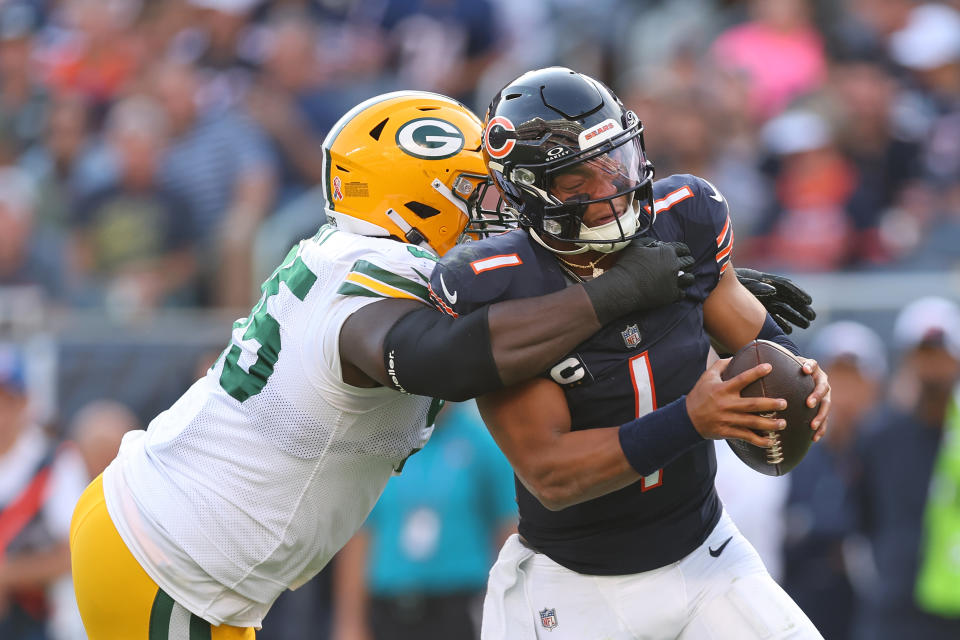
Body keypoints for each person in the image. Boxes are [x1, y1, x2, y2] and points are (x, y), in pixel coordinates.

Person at [68, 90, 704, 639]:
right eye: (474, 190)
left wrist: (682, 284)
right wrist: (617, 293)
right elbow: (441, 358)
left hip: (185, 554)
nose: (499, 207)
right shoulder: (373, 276)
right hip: (173, 561)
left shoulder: (358, 257)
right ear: (416, 200)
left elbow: (527, 313)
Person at [389, 67, 831, 639]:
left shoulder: (684, 218)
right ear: (529, 192)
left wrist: (801, 375)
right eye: (578, 184)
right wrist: (692, 419)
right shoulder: (500, 285)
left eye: (614, 165)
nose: (609, 192)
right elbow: (551, 472)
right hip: (573, 587)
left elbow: (762, 345)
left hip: (706, 555)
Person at [332, 401, 517, 640]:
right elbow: (360, 536)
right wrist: (349, 623)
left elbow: (507, 531)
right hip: (389, 607)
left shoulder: (483, 443)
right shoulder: (381, 444)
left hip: (458, 606)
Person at [848, 297, 960, 640]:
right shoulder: (878, 437)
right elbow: (861, 517)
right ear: (906, 358)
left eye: (939, 352)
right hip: (894, 607)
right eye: (923, 352)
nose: (932, 365)